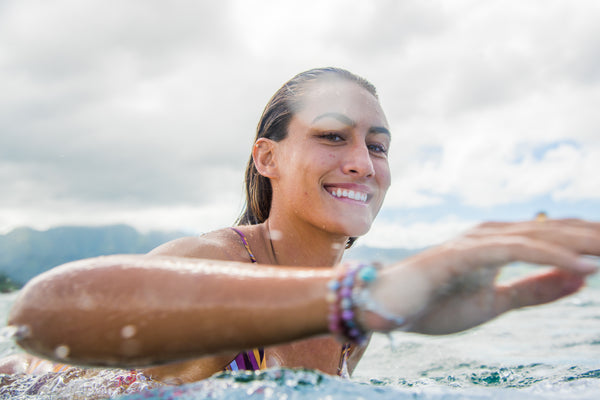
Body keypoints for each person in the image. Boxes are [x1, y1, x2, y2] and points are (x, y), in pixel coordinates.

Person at [4, 67, 600, 387]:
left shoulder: (345, 326)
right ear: (267, 159)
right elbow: (39, 315)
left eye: (378, 145)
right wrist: (363, 297)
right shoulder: (219, 260)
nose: (363, 163)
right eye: (333, 136)